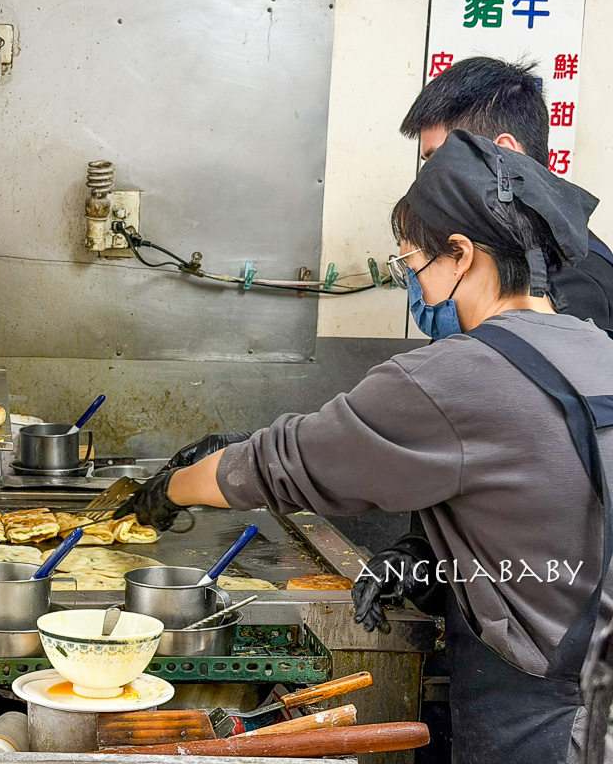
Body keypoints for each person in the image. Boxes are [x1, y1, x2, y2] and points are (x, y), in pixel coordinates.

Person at [125, 130, 613, 763]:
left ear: (461, 255)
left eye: (413, 264)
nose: (414, 284)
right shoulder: (596, 348)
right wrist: (430, 560)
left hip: (545, 721)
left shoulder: (456, 375)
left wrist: (170, 489)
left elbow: (280, 466)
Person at [403, 56, 613, 329]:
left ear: (505, 155)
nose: (427, 183)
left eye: (440, 160)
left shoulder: (575, 288)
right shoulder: (504, 249)